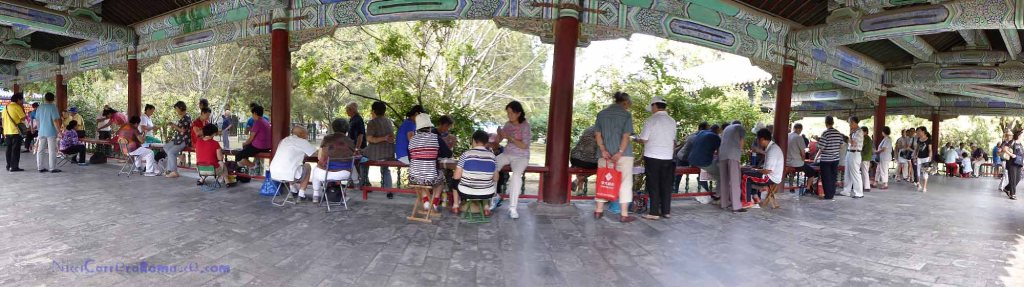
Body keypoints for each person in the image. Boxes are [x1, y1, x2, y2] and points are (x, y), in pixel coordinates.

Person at [593, 92, 637, 222]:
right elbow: (625, 136)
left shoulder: (601, 114)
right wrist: (620, 152)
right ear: (624, 103)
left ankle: (598, 211)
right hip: (624, 156)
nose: (628, 107)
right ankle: (624, 214)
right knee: (625, 183)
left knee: (603, 180)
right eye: (628, 104)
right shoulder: (626, 115)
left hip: (604, 156)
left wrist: (603, 150)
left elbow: (597, 134)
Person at [635, 96, 676, 220]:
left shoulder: (651, 120)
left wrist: (635, 138)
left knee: (653, 184)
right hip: (668, 157)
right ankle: (666, 211)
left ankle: (653, 212)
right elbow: (673, 140)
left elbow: (644, 139)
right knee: (666, 185)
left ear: (654, 106)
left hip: (653, 156)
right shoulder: (672, 121)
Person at [491, 101, 531, 219]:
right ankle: (494, 196)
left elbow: (524, 145)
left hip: (521, 156)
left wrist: (509, 137)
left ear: (518, 113)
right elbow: (497, 142)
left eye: (511, 113)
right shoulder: (507, 124)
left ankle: (512, 208)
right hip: (507, 154)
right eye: (507, 113)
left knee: (516, 176)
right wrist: (499, 134)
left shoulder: (525, 125)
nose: (509, 115)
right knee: (492, 166)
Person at [452, 130, 499, 216]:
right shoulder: (492, 156)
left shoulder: (466, 154)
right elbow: (496, 178)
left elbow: (457, 176)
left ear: (473, 140)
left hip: (466, 192)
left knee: (454, 181)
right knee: (488, 181)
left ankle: (455, 206)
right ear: (486, 142)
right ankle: (486, 207)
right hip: (487, 193)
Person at [311, 118, 356, 203]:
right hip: (345, 174)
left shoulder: (326, 139)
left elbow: (320, 157)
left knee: (315, 170)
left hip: (325, 174)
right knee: (351, 164)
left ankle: (316, 195)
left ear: (333, 127)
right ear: (347, 129)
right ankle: (355, 183)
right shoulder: (350, 141)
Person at [269, 125, 317, 200]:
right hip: (288, 175)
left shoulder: (284, 140)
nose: (307, 135)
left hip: (274, 174)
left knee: (291, 166)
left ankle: (293, 190)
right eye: (306, 133)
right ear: (301, 134)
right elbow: (315, 153)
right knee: (307, 166)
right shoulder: (302, 141)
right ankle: (301, 195)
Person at [408, 113, 446, 210]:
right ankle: (435, 203)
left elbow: (410, 158)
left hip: (414, 178)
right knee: (441, 179)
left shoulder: (412, 140)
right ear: (429, 127)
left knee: (421, 178)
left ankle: (426, 201)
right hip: (430, 178)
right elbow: (448, 153)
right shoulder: (435, 138)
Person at [364, 101, 396, 191]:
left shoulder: (372, 123)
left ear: (373, 111)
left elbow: (370, 139)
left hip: (375, 154)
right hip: (389, 153)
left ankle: (365, 185)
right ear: (384, 111)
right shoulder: (389, 122)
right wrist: (385, 138)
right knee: (385, 170)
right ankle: (388, 190)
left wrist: (383, 138)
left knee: (361, 160)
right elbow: (391, 138)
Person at [745, 128, 783, 199]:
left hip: (770, 178)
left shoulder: (772, 150)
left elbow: (767, 171)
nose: (758, 142)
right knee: (749, 172)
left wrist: (755, 170)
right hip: (772, 176)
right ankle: (756, 197)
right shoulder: (772, 147)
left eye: (758, 140)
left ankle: (747, 201)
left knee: (745, 176)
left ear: (762, 139)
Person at [718, 120, 747, 211]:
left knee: (724, 180)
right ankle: (736, 207)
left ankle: (724, 203)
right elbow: (741, 141)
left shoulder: (726, 128)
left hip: (722, 155)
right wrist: (740, 153)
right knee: (735, 181)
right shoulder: (739, 127)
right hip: (732, 155)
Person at [689, 124, 722, 200]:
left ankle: (705, 191)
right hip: (702, 162)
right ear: (718, 130)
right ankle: (718, 195)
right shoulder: (716, 137)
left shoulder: (701, 132)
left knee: (705, 169)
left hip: (691, 160)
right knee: (722, 174)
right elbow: (720, 153)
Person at [674, 122, 707, 193]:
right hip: (683, 157)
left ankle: (705, 192)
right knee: (678, 175)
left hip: (692, 158)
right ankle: (674, 191)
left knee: (701, 173)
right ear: (701, 129)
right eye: (707, 129)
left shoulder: (701, 136)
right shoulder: (694, 137)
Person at [33, 93, 62, 173]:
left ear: (45, 98)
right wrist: (59, 131)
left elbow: (37, 120)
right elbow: (55, 120)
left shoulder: (40, 107)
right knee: (52, 150)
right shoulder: (53, 107)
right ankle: (52, 168)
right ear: (53, 99)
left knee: (40, 150)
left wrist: (39, 130)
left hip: (41, 132)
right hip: (51, 132)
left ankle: (40, 167)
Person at [786, 123, 818, 192]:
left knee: (792, 172)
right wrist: (803, 159)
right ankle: (808, 188)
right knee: (811, 171)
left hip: (786, 162)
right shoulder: (799, 137)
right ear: (800, 129)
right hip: (796, 163)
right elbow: (803, 152)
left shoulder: (787, 136)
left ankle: (791, 186)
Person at [163, 101, 192, 178]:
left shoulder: (187, 117)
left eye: (176, 109)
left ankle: (174, 171)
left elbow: (183, 130)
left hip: (184, 140)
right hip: (178, 139)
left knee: (171, 153)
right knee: (166, 147)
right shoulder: (183, 117)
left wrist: (173, 125)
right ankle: (179, 157)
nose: (176, 111)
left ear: (181, 108)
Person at [818, 116, 844, 200]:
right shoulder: (838, 133)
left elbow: (821, 146)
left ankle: (828, 195)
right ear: (833, 123)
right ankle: (832, 193)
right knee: (833, 176)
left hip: (826, 159)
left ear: (826, 123)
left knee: (826, 177)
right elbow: (841, 145)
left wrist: (818, 143)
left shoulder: (825, 133)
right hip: (835, 159)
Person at [570, 125, 599, 196]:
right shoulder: (601, 132)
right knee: (601, 165)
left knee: (582, 165)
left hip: (575, 158)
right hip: (589, 162)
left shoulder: (588, 129)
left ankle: (580, 189)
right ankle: (578, 181)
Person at [840, 117, 865, 199]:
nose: (849, 125)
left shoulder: (859, 132)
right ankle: (846, 191)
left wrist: (849, 136)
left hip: (855, 153)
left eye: (850, 123)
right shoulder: (854, 131)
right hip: (849, 152)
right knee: (847, 173)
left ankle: (859, 192)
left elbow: (853, 143)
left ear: (854, 122)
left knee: (855, 173)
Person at [3, 93, 26, 172]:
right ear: (18, 100)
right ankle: (14, 167)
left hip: (7, 131)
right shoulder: (17, 107)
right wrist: (22, 108)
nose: (22, 101)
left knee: (8, 149)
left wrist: (4, 131)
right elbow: (23, 118)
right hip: (16, 131)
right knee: (15, 150)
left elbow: (3, 120)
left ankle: (8, 165)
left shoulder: (5, 107)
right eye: (21, 99)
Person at [345, 102, 367, 184]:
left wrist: (357, 148)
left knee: (360, 166)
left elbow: (360, 135)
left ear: (352, 110)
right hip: (352, 146)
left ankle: (363, 183)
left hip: (359, 147)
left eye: (347, 110)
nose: (346, 112)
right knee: (354, 165)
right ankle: (355, 182)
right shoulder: (352, 119)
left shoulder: (357, 120)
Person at [1002, 131, 1022, 200]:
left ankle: (1007, 188)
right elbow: (1004, 149)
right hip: (1012, 163)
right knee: (1013, 179)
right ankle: (1012, 194)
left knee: (1018, 178)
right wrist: (1011, 155)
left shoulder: (1021, 144)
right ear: (1019, 136)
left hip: (1019, 163)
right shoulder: (1012, 142)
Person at [913, 127, 932, 192]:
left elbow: (930, 150)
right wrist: (915, 156)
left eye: (919, 131)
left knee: (925, 173)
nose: (917, 133)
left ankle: (924, 187)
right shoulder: (919, 139)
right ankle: (918, 184)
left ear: (923, 131)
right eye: (917, 131)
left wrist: (929, 158)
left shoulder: (928, 140)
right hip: (919, 158)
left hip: (926, 158)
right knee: (917, 172)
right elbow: (917, 149)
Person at [860, 126, 872, 192]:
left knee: (864, 172)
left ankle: (867, 187)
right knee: (865, 172)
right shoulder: (868, 138)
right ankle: (864, 185)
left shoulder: (866, 138)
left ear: (865, 132)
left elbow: (862, 147)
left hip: (865, 157)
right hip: (867, 157)